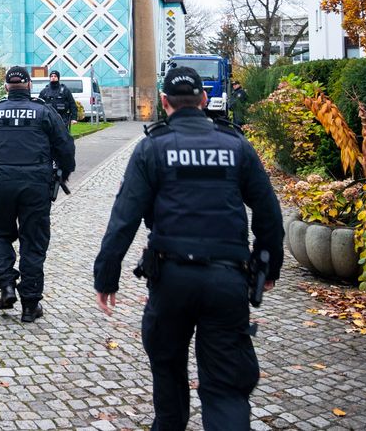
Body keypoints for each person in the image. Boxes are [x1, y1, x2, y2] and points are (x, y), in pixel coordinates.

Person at [92, 65, 284, 431]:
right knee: (226, 389)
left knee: (167, 372)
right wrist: (268, 267)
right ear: (205, 100)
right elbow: (269, 212)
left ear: (164, 103)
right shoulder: (236, 146)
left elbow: (124, 217)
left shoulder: (152, 147)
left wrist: (107, 277)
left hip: (171, 280)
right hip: (227, 281)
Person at [0, 66, 76, 322]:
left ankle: (6, 285)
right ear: (28, 86)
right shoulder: (44, 111)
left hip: (2, 183)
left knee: (0, 235)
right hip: (36, 185)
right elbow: (66, 147)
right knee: (33, 242)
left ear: (6, 87)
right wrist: (63, 173)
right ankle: (30, 305)